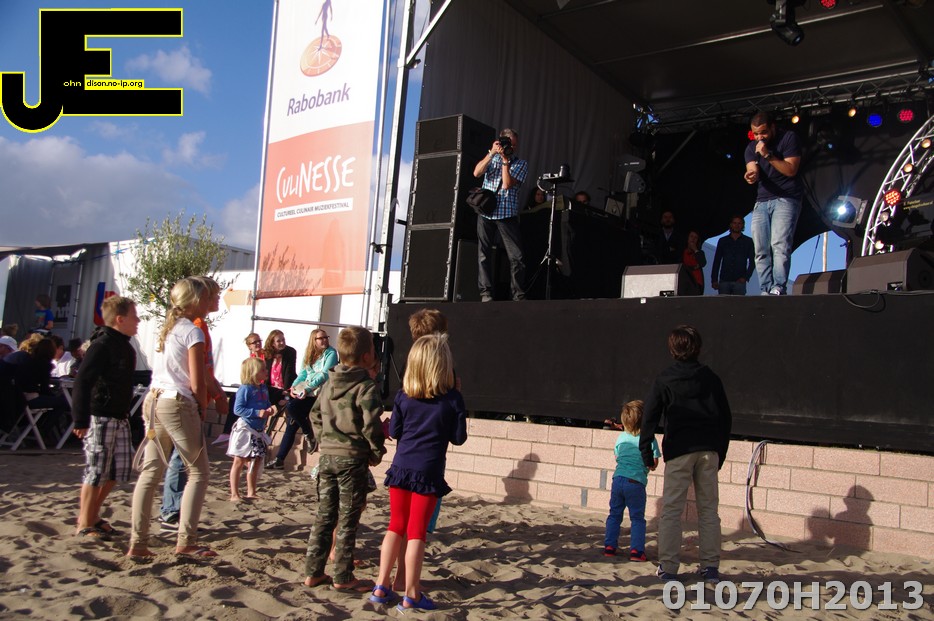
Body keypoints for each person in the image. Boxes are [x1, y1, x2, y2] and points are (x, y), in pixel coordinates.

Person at [369, 333, 467, 610]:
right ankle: (411, 593)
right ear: (443, 366)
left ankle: (381, 585)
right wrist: (458, 404)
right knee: (416, 532)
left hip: (401, 468)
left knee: (395, 526)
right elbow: (458, 438)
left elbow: (395, 430)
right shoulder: (452, 400)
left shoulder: (403, 396)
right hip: (428, 470)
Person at [127, 278, 214, 558]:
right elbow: (197, 381)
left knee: (151, 472)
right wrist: (202, 406)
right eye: (206, 297)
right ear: (195, 301)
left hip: (154, 399)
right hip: (177, 402)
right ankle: (186, 541)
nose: (210, 302)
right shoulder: (193, 331)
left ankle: (138, 542)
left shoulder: (171, 327)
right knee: (199, 472)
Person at [639, 325, 732, 583]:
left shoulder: (665, 379)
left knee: (671, 509)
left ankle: (669, 568)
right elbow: (725, 418)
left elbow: (649, 418)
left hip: (680, 450)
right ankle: (710, 567)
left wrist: (646, 452)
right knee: (709, 510)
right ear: (698, 348)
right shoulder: (711, 378)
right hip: (708, 450)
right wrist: (720, 452)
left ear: (672, 349)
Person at [303, 326, 385, 591]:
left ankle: (313, 572)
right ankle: (342, 576)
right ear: (367, 356)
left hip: (327, 458)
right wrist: (375, 452)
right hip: (352, 460)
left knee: (325, 516)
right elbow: (371, 424)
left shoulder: (329, 383)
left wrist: (323, 439)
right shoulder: (365, 387)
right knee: (348, 519)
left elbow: (314, 414)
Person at [159, 276, 229, 531]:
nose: (218, 299)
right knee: (189, 463)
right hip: (183, 400)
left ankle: (165, 516)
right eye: (214, 295)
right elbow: (200, 372)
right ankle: (173, 514)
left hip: (169, 397)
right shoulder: (194, 327)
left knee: (161, 466)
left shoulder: (187, 326)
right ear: (200, 299)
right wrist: (213, 398)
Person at [70, 296, 140, 540]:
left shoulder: (126, 346)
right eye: (134, 316)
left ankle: (93, 516)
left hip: (119, 416)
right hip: (100, 416)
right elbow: (82, 381)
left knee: (117, 471)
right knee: (96, 470)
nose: (138, 321)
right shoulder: (102, 345)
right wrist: (80, 419)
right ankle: (84, 522)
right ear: (120, 319)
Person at [744, 111, 804, 295]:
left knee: (780, 244)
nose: (759, 137)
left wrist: (768, 155)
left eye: (763, 132)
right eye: (756, 134)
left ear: (772, 127)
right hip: (762, 201)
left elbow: (791, 169)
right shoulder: (751, 148)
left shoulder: (788, 138)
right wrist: (750, 175)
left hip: (786, 198)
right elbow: (752, 168)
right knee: (760, 248)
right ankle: (765, 288)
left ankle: (778, 287)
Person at [472, 128, 528, 302]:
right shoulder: (492, 158)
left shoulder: (520, 163)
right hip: (486, 213)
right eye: (510, 144)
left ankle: (518, 295)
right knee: (484, 254)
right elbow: (476, 173)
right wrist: (491, 153)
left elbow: (506, 184)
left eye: (515, 145)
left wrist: (505, 161)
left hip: (507, 213)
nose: (513, 147)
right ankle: (485, 293)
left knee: (516, 257)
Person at [268, 329, 337, 470]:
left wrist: (308, 388)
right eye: (321, 338)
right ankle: (280, 459)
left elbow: (325, 374)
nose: (324, 340)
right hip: (307, 392)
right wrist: (293, 387)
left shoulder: (331, 353)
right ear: (314, 341)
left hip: (319, 393)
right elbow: (303, 373)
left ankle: (307, 433)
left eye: (326, 337)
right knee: (292, 421)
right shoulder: (309, 353)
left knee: (292, 409)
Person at [603, 400, 659, 561]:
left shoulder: (621, 438)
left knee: (614, 514)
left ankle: (609, 546)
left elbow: (617, 457)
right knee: (637, 518)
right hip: (636, 482)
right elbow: (653, 463)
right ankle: (636, 551)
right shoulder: (649, 439)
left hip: (618, 479)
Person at [228, 357, 276, 502]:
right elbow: (238, 409)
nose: (266, 372)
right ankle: (234, 493)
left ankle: (251, 491)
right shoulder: (245, 389)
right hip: (246, 428)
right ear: (253, 372)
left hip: (258, 430)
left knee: (256, 460)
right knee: (239, 460)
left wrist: (269, 409)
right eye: (263, 370)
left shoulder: (263, 388)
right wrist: (256, 412)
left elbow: (266, 403)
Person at [213, 332, 265, 445]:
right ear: (249, 346)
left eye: (259, 341)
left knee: (242, 401)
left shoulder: (266, 356)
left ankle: (229, 434)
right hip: (254, 388)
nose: (257, 344)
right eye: (254, 342)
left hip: (264, 388)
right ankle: (228, 433)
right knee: (235, 399)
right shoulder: (250, 359)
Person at [711, 216, 755, 295]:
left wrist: (746, 277)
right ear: (731, 224)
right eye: (734, 223)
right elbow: (717, 261)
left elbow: (753, 261)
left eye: (739, 223)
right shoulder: (723, 241)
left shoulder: (748, 241)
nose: (736, 225)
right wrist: (714, 279)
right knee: (723, 302)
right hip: (724, 280)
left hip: (739, 280)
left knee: (738, 303)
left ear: (742, 225)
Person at [263, 329, 297, 406]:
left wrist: (286, 395)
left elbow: (289, 374)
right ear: (272, 343)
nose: (282, 342)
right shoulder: (267, 354)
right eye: (278, 341)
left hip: (285, 389)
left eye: (283, 340)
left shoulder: (290, 352)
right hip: (271, 390)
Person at [682, 231, 707, 295]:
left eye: (695, 238)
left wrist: (695, 250)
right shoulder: (682, 252)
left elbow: (703, 263)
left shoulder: (700, 252)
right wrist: (694, 267)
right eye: (691, 236)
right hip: (684, 282)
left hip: (696, 282)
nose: (693, 239)